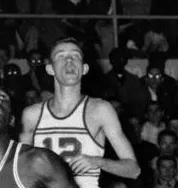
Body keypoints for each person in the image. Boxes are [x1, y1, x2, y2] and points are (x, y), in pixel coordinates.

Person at [20, 38, 140, 188]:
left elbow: (133, 170)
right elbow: (20, 171)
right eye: (61, 56)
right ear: (50, 69)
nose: (69, 60)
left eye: (75, 56)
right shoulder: (32, 114)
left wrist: (97, 161)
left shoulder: (100, 110)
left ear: (84, 68)